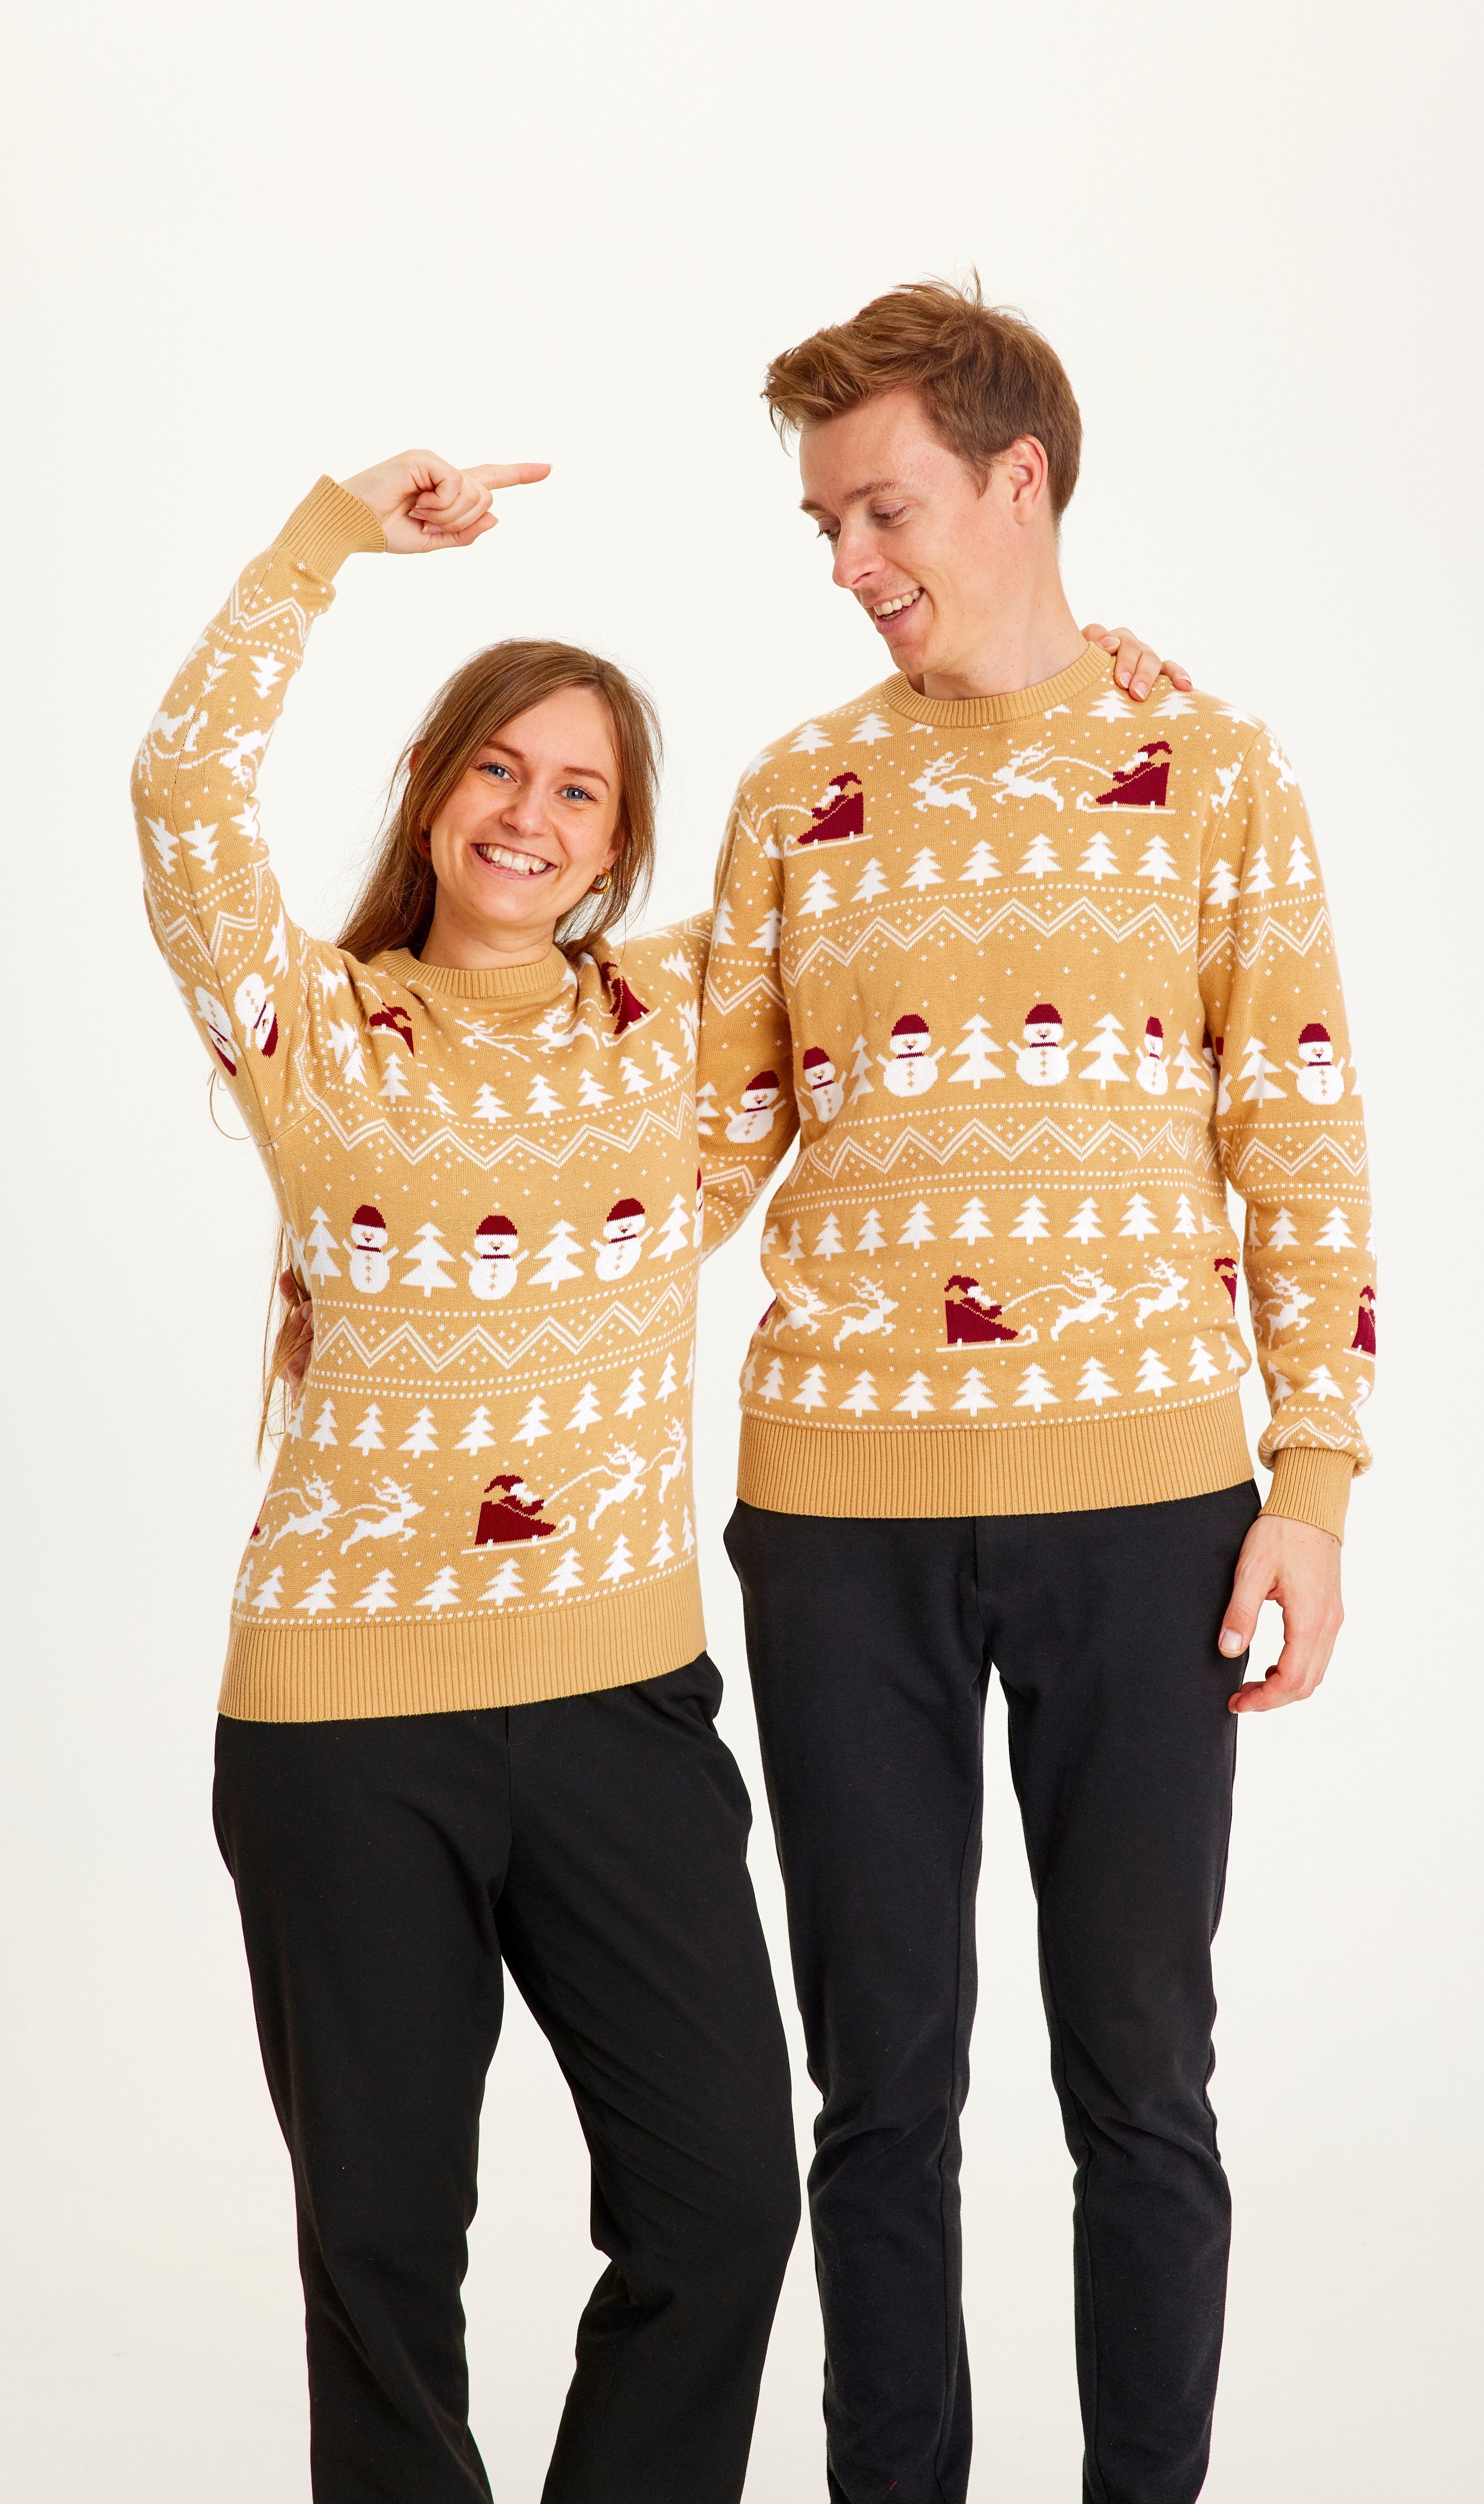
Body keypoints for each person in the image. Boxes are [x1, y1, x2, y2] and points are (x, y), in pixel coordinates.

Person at [697, 280, 1376, 2504]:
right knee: (878, 2092)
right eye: (820, 523)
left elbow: (1296, 1133)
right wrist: (421, 1165)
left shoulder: (1213, 772)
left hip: (1147, 1509)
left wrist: (1312, 1482)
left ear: (1018, 479)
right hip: (837, 1518)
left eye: (879, 508)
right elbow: (698, 1141)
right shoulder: (795, 791)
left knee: (1139, 2083)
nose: (845, 559)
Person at [132, 451, 805, 2504]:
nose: (532, 812)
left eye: (580, 789)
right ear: (434, 788)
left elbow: (884, 882)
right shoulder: (316, 1028)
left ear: (620, 844)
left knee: (723, 2198)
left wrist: (1067, 694)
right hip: (343, 1726)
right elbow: (182, 795)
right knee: (380, 2257)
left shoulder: (681, 1016)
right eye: (498, 767)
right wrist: (322, 541)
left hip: (621, 1704)